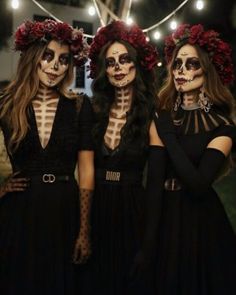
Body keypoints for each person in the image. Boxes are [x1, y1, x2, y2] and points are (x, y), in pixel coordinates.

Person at [0, 19, 94, 295]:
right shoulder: (6, 104)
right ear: (33, 58)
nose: (55, 66)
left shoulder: (78, 106)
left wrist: (84, 230)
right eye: (48, 56)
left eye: (64, 60)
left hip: (63, 209)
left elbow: (86, 170)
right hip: (19, 210)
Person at [150, 24, 236, 294]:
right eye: (177, 64)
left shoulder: (223, 126)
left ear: (207, 71)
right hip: (165, 214)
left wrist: (168, 135)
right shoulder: (164, 115)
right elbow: (154, 180)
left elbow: (199, 184)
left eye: (191, 64)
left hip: (201, 224)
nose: (181, 72)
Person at [87, 20, 165, 295]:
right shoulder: (94, 113)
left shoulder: (151, 116)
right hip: (97, 206)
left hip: (132, 208)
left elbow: (155, 185)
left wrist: (149, 243)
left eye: (124, 60)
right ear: (104, 70)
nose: (118, 67)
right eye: (110, 63)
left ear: (136, 65)